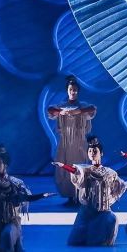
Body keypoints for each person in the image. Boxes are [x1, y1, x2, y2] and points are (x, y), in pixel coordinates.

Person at [55, 135, 127, 246]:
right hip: (88, 210)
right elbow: (76, 171)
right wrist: (64, 166)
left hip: (103, 210)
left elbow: (120, 185)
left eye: (95, 151)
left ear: (101, 153)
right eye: (90, 151)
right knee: (77, 240)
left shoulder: (110, 173)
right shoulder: (86, 170)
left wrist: (119, 191)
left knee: (110, 221)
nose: (92, 153)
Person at [47, 76, 97, 204]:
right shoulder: (62, 106)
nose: (73, 92)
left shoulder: (83, 106)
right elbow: (50, 110)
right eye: (70, 90)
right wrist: (61, 112)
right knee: (64, 169)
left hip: (79, 142)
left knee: (80, 168)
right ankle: (69, 196)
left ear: (78, 91)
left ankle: (80, 195)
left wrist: (78, 112)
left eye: (75, 90)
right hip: (65, 142)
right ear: (67, 91)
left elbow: (93, 109)